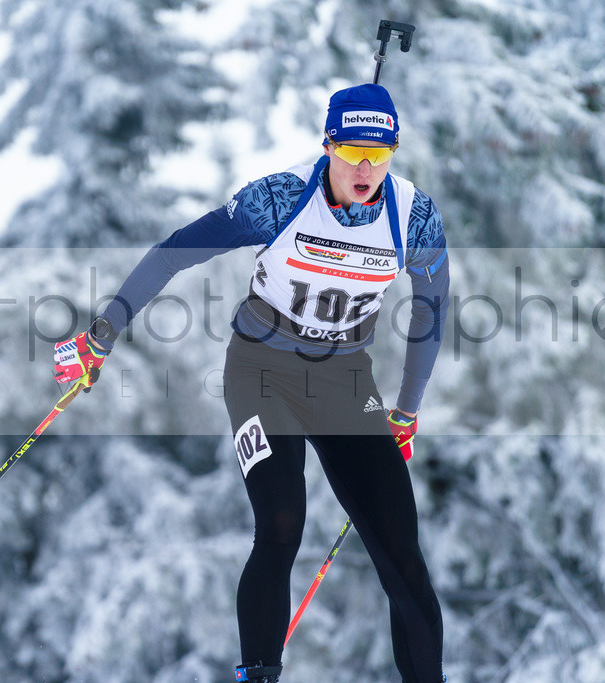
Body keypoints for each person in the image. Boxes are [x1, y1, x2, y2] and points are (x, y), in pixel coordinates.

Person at [53, 83, 448, 682]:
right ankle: (258, 675)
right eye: (351, 153)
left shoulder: (413, 215)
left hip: (344, 380)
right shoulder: (282, 197)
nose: (365, 169)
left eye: (380, 155)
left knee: (401, 548)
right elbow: (171, 253)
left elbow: (431, 311)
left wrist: (406, 411)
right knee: (282, 521)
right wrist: (101, 334)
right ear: (328, 146)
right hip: (263, 368)